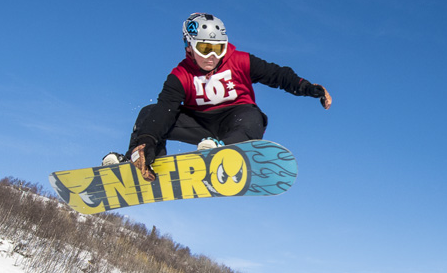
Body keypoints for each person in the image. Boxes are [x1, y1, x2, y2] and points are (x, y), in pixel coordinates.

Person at [104, 12, 331, 181]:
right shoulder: (180, 75)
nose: (212, 56)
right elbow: (165, 111)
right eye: (204, 48)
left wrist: (307, 87)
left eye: (219, 48)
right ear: (189, 47)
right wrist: (148, 140)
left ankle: (222, 152)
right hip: (199, 125)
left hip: (236, 122)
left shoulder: (240, 61)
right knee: (150, 113)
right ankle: (144, 159)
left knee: (254, 116)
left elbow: (277, 75)